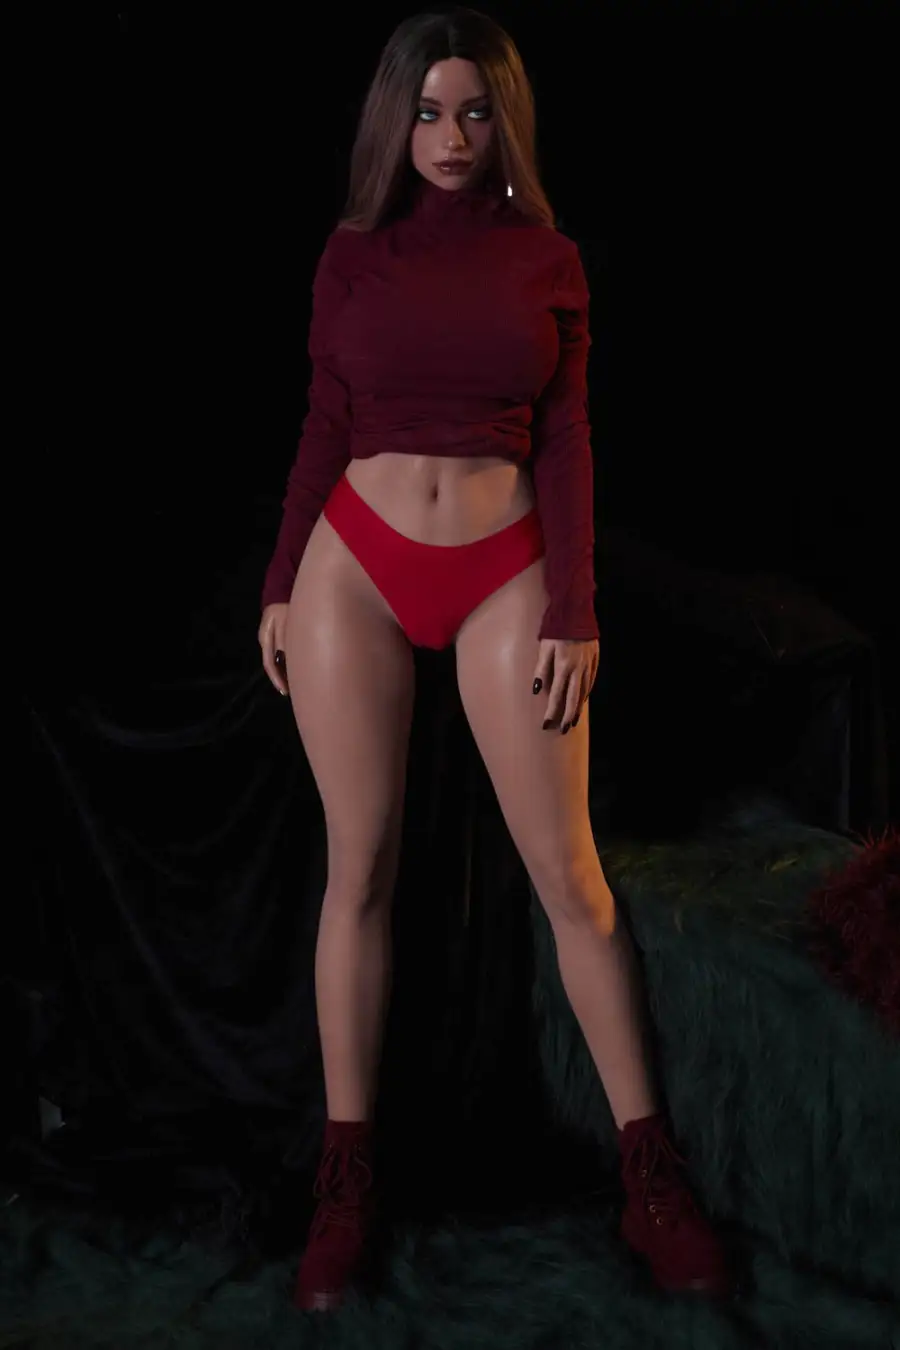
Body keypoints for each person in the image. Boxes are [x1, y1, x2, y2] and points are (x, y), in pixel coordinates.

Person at [258, 5, 734, 1315]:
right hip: (356, 563)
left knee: (571, 878)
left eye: (474, 111)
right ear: (394, 121)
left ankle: (652, 1180)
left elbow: (568, 435)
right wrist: (284, 576)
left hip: (503, 566)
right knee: (359, 872)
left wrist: (575, 607)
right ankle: (345, 1186)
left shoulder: (549, 259)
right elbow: (324, 418)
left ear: (504, 118)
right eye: (427, 112)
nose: (452, 136)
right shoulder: (350, 256)